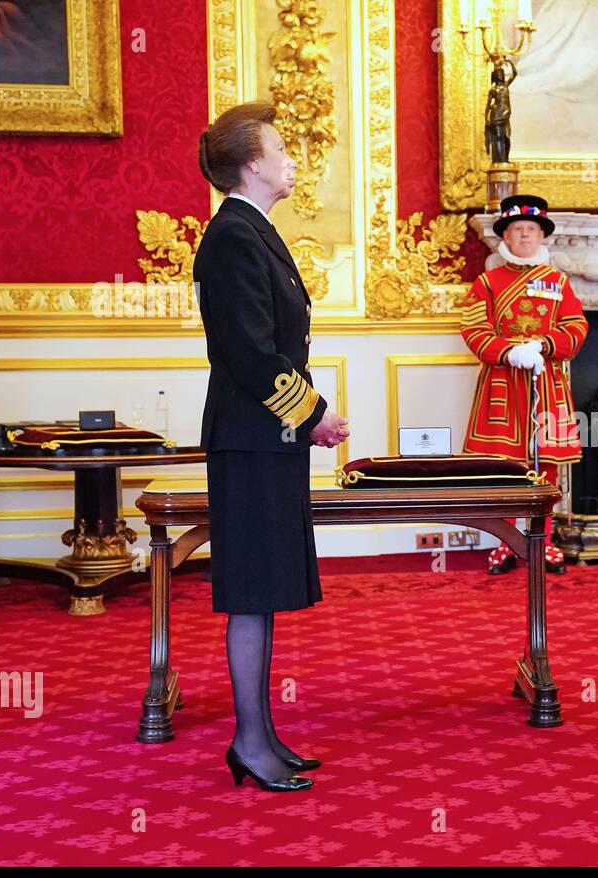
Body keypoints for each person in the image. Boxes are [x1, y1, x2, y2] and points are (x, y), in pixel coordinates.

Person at [193, 101, 350, 792]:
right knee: (251, 591)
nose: (293, 159)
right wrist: (311, 413)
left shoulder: (252, 232)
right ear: (252, 164)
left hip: (266, 439)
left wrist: (305, 418)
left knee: (262, 590)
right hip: (252, 440)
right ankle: (250, 741)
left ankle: (261, 734)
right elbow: (252, 355)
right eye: (281, 149)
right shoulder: (232, 237)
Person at [460, 194, 588, 575]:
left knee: (544, 468)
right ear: (507, 238)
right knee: (504, 472)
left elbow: (577, 328)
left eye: (531, 230)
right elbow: (473, 328)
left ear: (541, 236)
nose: (526, 237)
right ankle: (506, 544)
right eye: (519, 231)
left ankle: (543, 543)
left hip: (545, 385)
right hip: (503, 385)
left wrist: (545, 344)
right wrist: (508, 352)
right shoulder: (488, 281)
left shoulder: (557, 282)